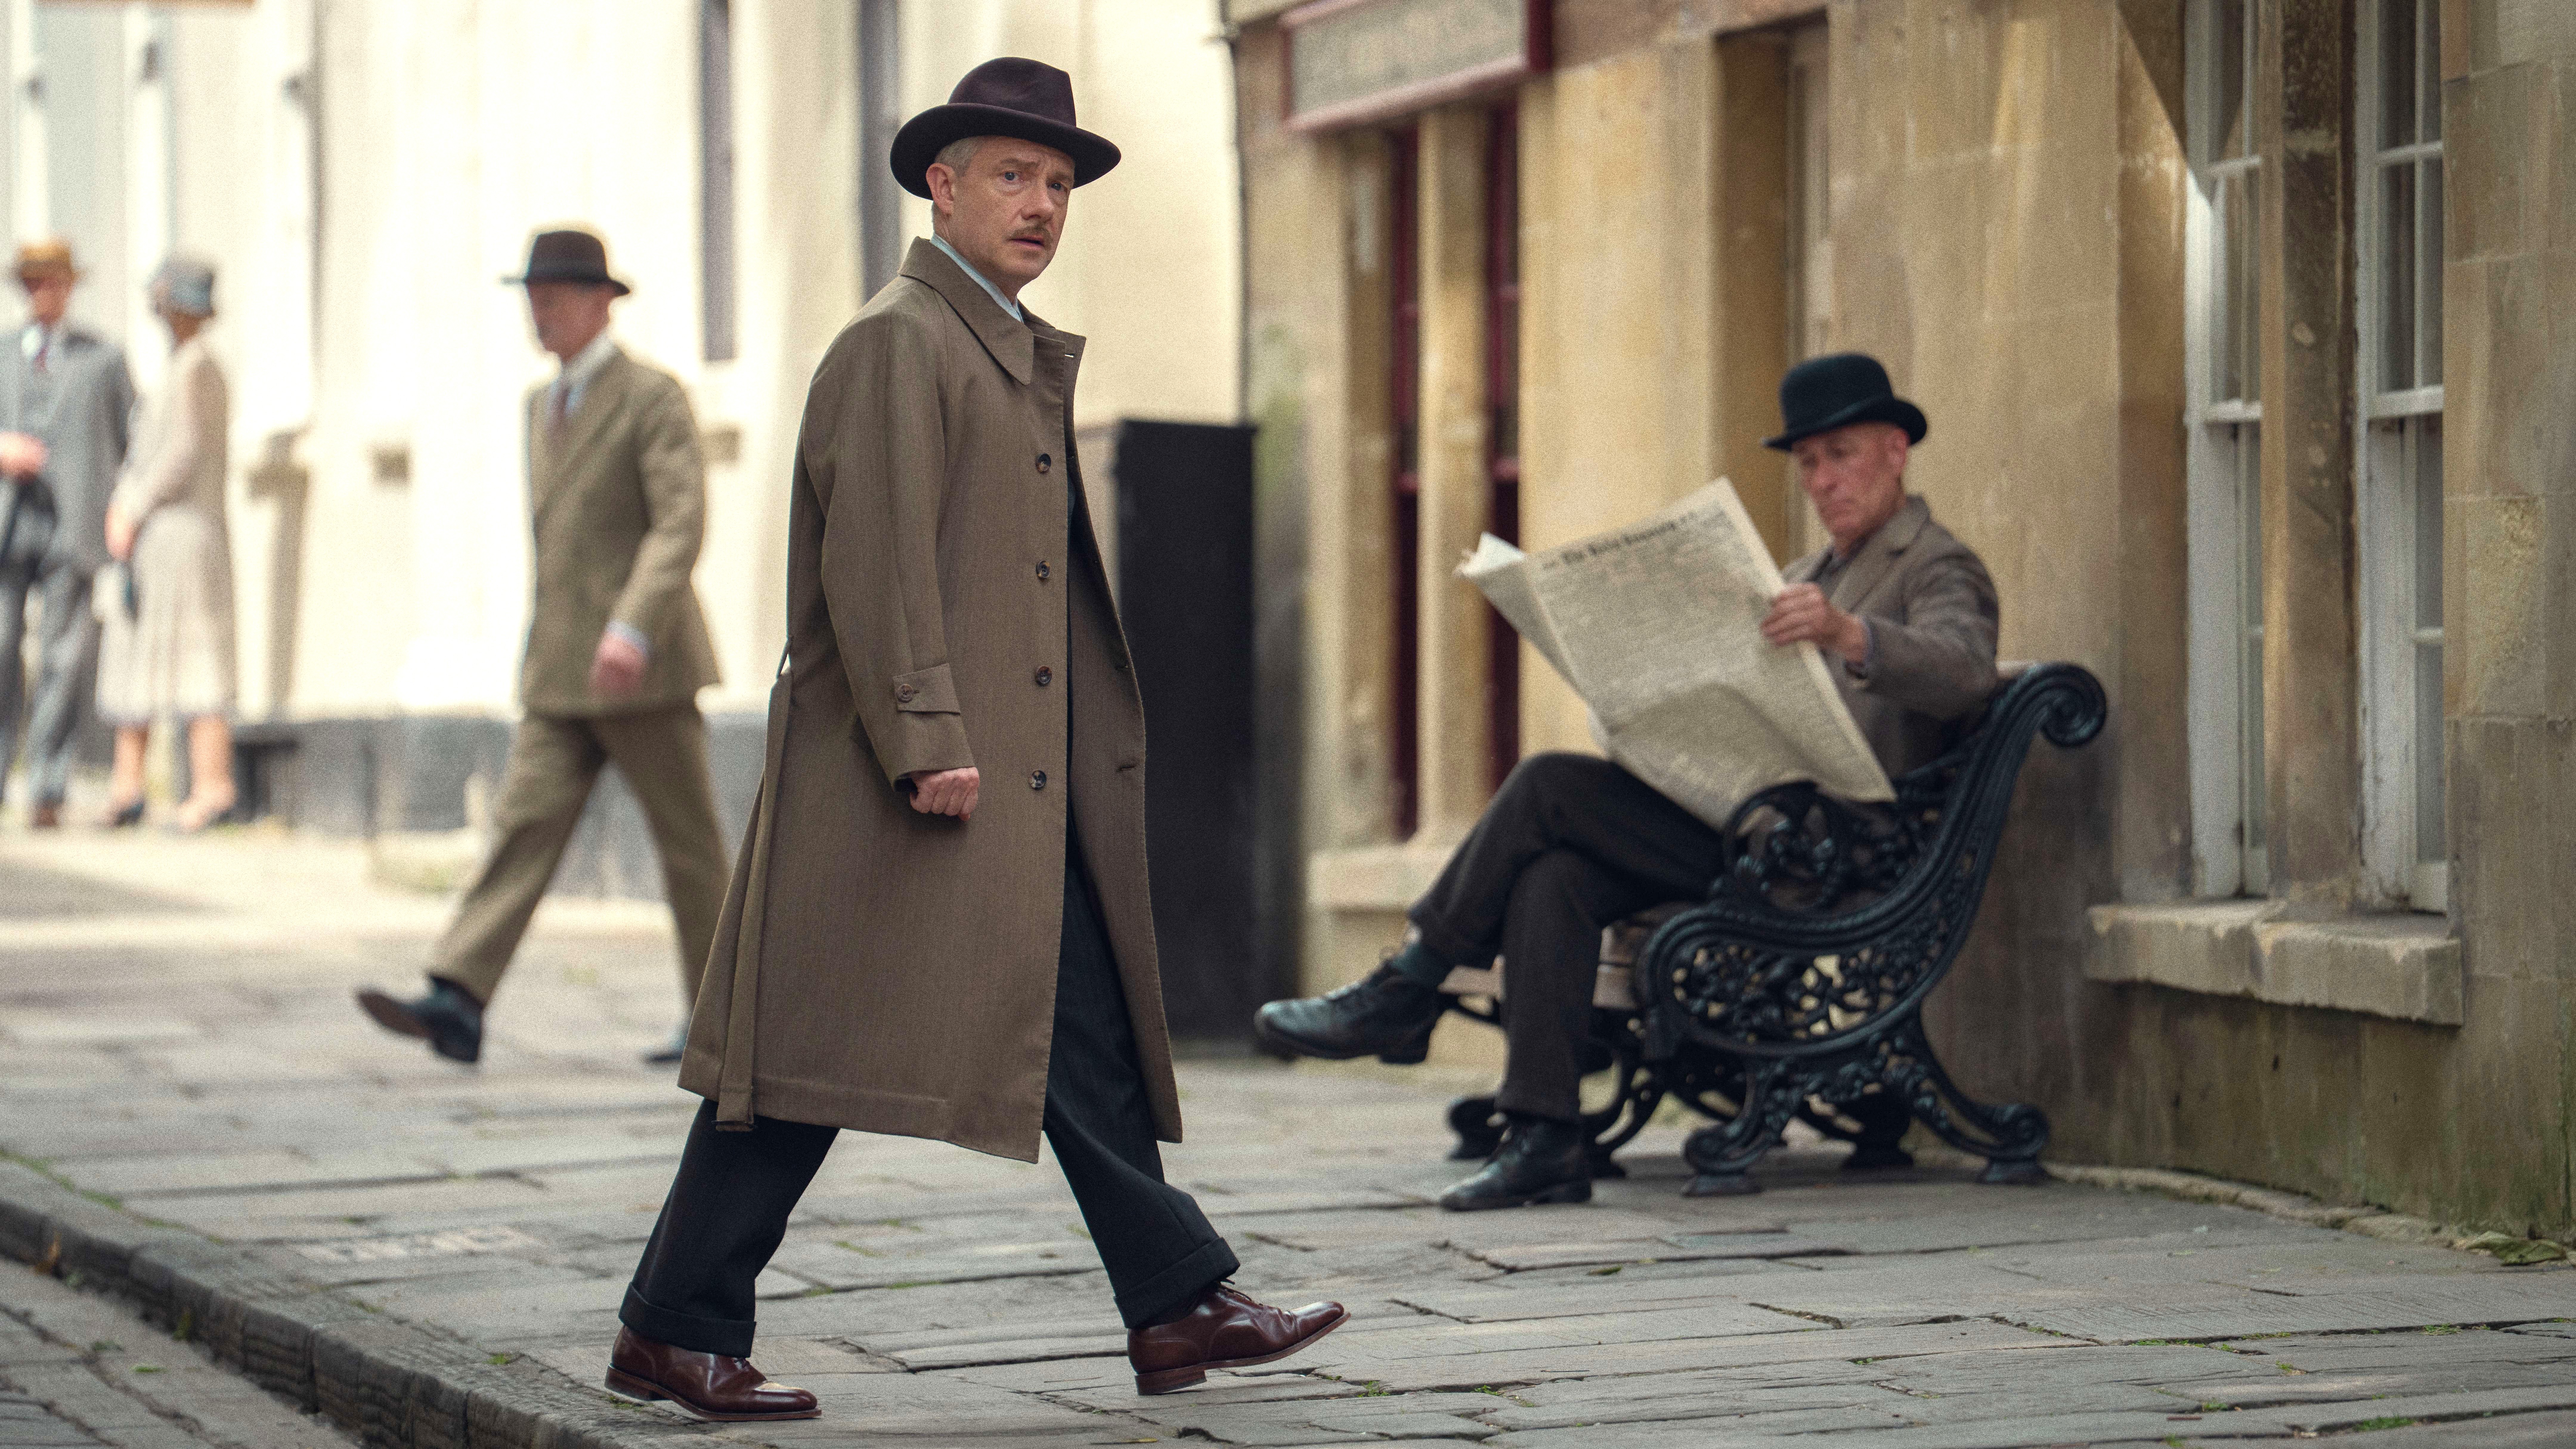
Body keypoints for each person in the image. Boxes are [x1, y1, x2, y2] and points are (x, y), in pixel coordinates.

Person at [598, 59, 1344, 1424]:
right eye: (1013, 175)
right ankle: (675, 1324)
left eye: (1059, 184)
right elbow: (879, 568)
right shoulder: (906, 338)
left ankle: (1170, 1303)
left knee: (1065, 1031)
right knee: (803, 1060)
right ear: (940, 186)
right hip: (917, 778)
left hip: (1009, 778)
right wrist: (929, 739)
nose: (1043, 204)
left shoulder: (994, 342)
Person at [1255, 352, 2002, 1212]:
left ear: (1897, 450)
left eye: (1843, 454)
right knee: (1554, 874)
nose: (1824, 479)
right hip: (1746, 824)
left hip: (1833, 851)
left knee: (1546, 790)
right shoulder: (1799, 576)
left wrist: (1850, 635)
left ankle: (1409, 986)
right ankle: (1545, 1140)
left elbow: (1966, 672)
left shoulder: (1937, 564)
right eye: (1808, 462)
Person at [354, 228, 729, 1068]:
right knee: (522, 827)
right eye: (533, 295)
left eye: (556, 295)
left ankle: (725, 1023)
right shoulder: (541, 404)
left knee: (691, 848)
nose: (541, 310)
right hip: (561, 672)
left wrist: (634, 625)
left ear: (602, 302)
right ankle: (458, 996)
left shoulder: (651, 397)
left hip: (645, 667)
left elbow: (680, 521)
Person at [96, 258, 236, 831]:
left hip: (185, 530)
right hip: (157, 536)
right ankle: (127, 784)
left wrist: (136, 504)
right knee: (135, 649)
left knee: (197, 654)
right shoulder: (176, 367)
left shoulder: (200, 369)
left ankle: (214, 785)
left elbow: (184, 452)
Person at [0, 240, 133, 829]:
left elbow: (134, 441)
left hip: (72, 526)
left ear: (70, 288)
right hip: (8, 523)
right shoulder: (2, 356)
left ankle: (47, 788)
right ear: (24, 289)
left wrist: (121, 510)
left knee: (62, 657)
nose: (45, 292)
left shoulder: (103, 359)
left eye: (54, 281)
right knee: (3, 651)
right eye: (35, 282)